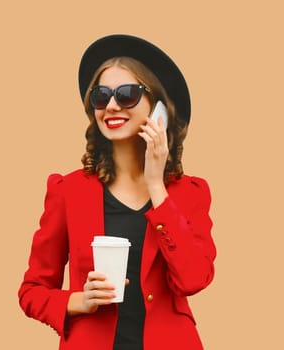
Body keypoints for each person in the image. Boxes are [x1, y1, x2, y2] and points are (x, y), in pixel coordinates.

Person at [18, 34, 217, 350]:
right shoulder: (67, 191)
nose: (111, 105)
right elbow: (32, 290)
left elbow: (194, 279)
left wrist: (156, 185)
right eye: (101, 96)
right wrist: (78, 301)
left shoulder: (189, 193)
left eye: (127, 94)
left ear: (159, 111)